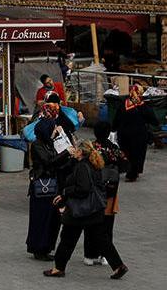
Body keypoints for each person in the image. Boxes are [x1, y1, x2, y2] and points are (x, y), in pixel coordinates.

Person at [44, 141, 128, 279]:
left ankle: (58, 268)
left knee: (67, 239)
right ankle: (118, 266)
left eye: (76, 149)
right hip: (94, 210)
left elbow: (83, 188)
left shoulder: (82, 166)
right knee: (102, 239)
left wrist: (65, 192)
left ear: (80, 152)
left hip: (80, 210)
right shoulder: (93, 164)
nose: (74, 151)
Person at [26, 116, 72, 261]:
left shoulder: (49, 143)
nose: (54, 131)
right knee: (42, 218)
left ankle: (46, 247)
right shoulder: (37, 145)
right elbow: (48, 162)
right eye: (52, 129)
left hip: (52, 184)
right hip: (42, 186)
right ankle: (39, 248)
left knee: (52, 218)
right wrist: (66, 152)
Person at [84, 121, 129, 266]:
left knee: (91, 224)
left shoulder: (91, 147)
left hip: (93, 193)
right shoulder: (114, 148)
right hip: (110, 192)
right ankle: (104, 255)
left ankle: (90, 255)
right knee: (107, 225)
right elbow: (125, 165)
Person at [113, 84, 157, 182]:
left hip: (124, 134)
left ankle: (129, 171)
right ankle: (133, 173)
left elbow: (116, 119)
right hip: (139, 135)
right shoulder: (143, 106)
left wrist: (113, 129)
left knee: (127, 152)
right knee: (137, 154)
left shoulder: (123, 104)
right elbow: (154, 120)